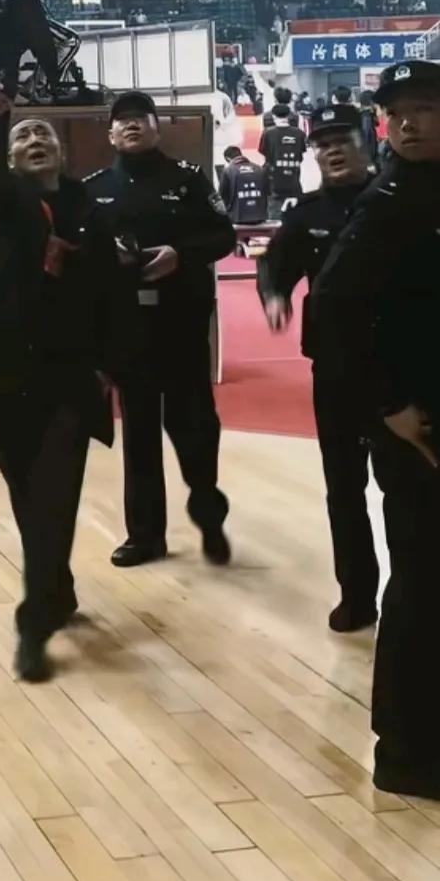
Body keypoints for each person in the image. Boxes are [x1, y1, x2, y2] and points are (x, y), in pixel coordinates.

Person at [0, 85, 118, 683]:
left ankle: (33, 623)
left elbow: (108, 286)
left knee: (54, 493)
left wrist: (107, 364)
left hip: (68, 374)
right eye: (24, 136)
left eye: (43, 133)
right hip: (5, 370)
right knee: (28, 493)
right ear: (12, 157)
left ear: (61, 152)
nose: (35, 140)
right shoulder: (6, 199)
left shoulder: (89, 207)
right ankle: (56, 585)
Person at [312, 60, 440, 801]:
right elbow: (331, 317)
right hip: (418, 426)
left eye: (426, 107)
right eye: (401, 112)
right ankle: (405, 752)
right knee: (421, 583)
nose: (412, 122)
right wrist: (389, 407)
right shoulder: (387, 203)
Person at [86, 91, 236, 569]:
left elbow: (224, 236)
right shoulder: (95, 190)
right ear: (110, 134)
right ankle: (145, 535)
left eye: (140, 118)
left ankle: (208, 512)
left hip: (181, 326)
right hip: (129, 331)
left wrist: (180, 254)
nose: (131, 125)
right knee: (140, 435)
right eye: (122, 120)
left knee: (196, 428)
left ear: (157, 127)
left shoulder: (187, 180)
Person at [257, 104, 379, 630]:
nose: (332, 151)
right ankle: (357, 593)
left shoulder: (394, 200)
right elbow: (274, 265)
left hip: (401, 363)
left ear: (364, 143)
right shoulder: (305, 213)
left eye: (341, 141)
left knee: (411, 488)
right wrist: (274, 295)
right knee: (344, 487)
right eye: (322, 144)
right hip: (335, 368)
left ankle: (417, 596)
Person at [260, 91, 306, 217]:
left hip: (274, 173)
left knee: (274, 207)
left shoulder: (267, 123)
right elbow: (302, 151)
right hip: (293, 173)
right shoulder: (297, 123)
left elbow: (264, 151)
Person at [218, 146, 267, 226]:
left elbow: (222, 196)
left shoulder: (228, 171)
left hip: (237, 218)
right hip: (260, 217)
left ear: (227, 158)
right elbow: (267, 192)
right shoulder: (259, 169)